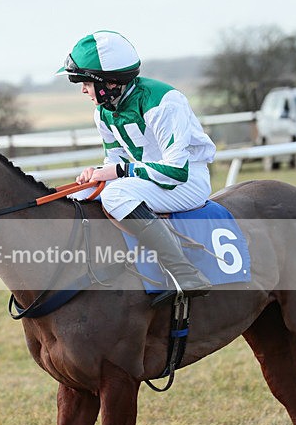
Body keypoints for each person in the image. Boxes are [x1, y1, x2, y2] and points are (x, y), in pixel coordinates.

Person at [56, 30, 216, 306]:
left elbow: (176, 171)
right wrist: (96, 175)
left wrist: (117, 173)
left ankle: (185, 274)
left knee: (115, 195)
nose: (82, 89)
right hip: (148, 180)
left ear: (108, 82)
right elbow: (115, 161)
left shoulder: (164, 101)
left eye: (84, 82)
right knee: (78, 195)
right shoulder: (103, 112)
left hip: (187, 182)